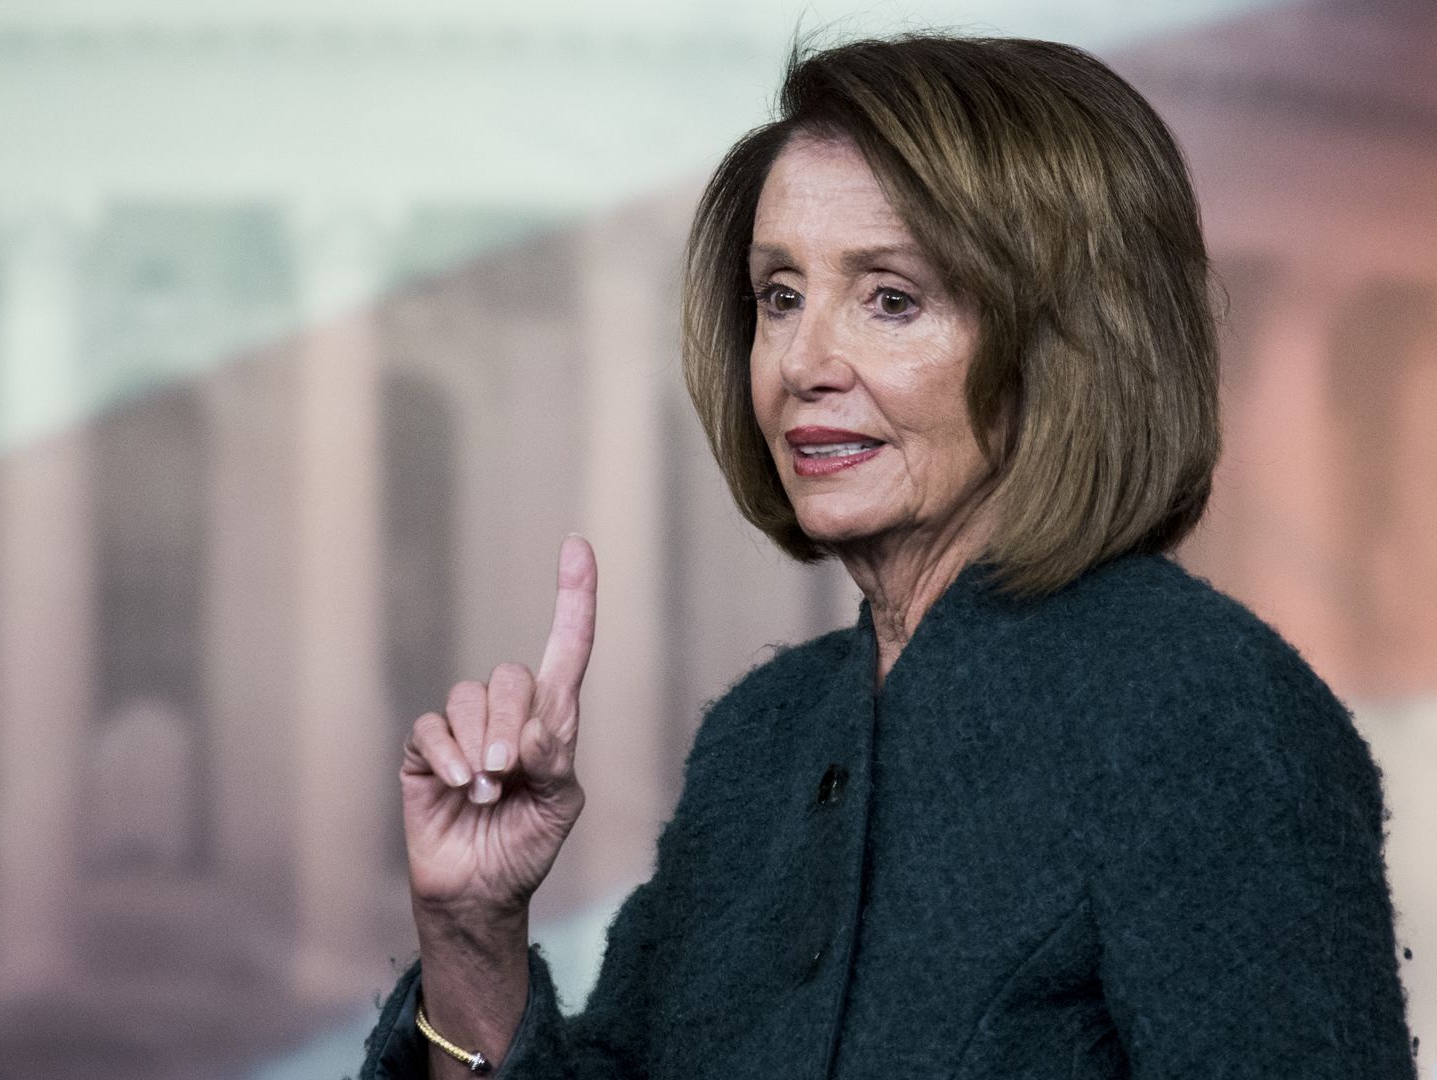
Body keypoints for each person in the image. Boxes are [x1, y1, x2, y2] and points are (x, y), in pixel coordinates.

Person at [359, 34, 1417, 1079]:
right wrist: (470, 935)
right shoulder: (761, 737)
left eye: (891, 299)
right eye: (780, 295)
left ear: (1066, 344)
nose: (803, 362)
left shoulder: (1204, 708)